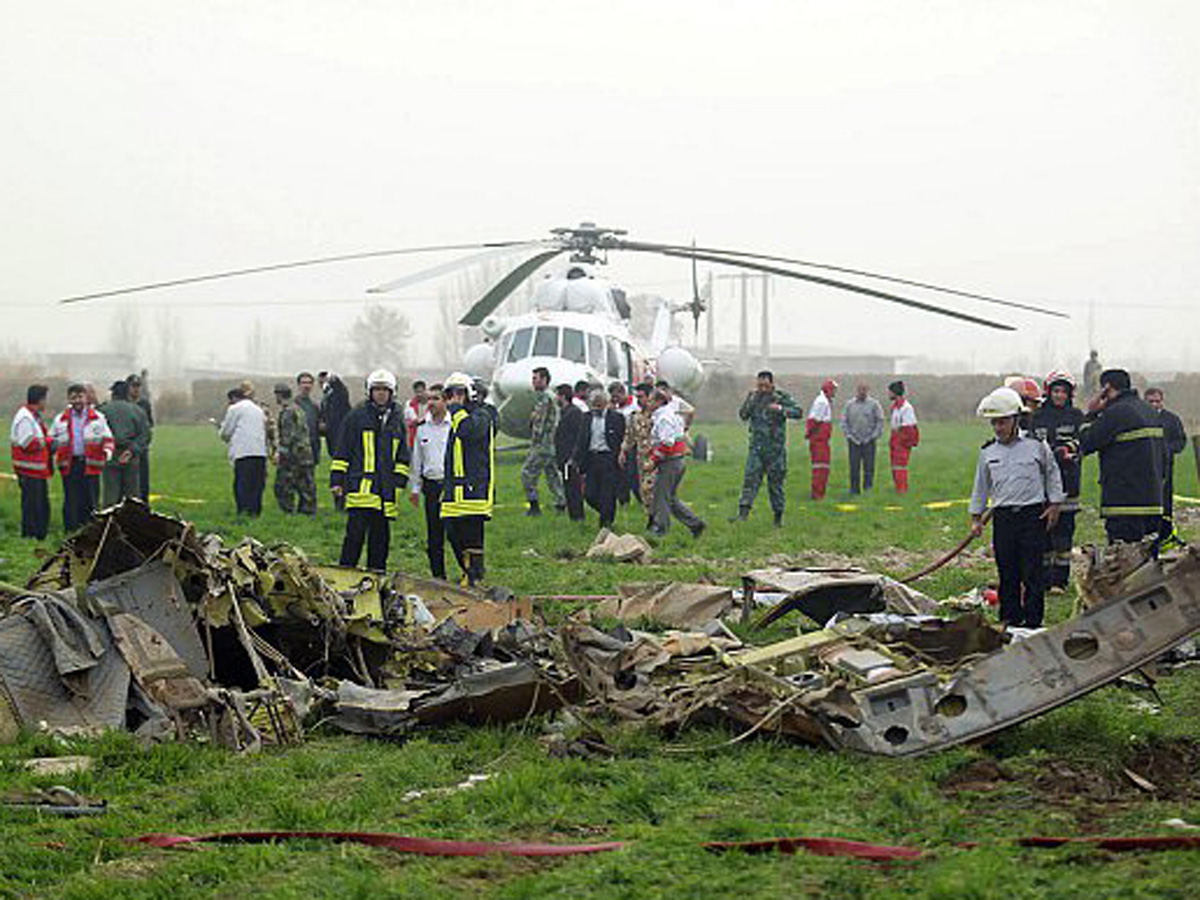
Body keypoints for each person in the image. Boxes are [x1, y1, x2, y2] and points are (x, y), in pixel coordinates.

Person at [969, 387, 1064, 629]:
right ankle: (1010, 620)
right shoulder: (987, 451)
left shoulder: (1036, 446)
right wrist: (976, 518)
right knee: (1007, 572)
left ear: (1015, 420)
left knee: (1033, 573)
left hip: (1032, 517)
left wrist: (1054, 505)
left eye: (1002, 422)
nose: (998, 428)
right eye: (994, 423)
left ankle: (1033, 622)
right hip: (1003, 520)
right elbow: (980, 486)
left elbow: (1052, 474)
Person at [329, 370, 410, 571]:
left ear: (392, 393)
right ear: (369, 392)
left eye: (385, 390)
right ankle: (345, 575)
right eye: (377, 389)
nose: (381, 394)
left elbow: (402, 457)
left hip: (385, 493)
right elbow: (343, 451)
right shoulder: (356, 417)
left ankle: (376, 578)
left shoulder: (397, 420)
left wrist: (398, 485)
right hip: (360, 490)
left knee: (380, 541)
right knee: (354, 538)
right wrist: (337, 480)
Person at [1079, 369, 1165, 548]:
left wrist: (1091, 413)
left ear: (1106, 388)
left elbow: (1086, 441)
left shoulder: (1115, 413)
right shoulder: (1150, 411)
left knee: (1124, 566)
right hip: (1153, 504)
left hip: (1124, 506)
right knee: (1148, 563)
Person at [1031, 371, 1085, 590]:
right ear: (1048, 392)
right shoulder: (1037, 417)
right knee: (1043, 534)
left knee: (1064, 534)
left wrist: (1067, 451)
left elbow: (1083, 442)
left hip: (1068, 483)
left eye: (1064, 391)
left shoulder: (1076, 416)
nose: (1059, 395)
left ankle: (1060, 580)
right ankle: (1043, 579)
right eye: (1056, 391)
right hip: (1041, 485)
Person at [441, 372, 495, 586]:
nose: (455, 397)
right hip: (454, 491)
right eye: (451, 394)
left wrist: (456, 411)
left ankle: (475, 576)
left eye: (460, 392)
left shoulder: (482, 416)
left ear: (469, 394)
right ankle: (467, 573)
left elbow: (468, 431)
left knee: (472, 538)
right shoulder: (455, 418)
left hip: (474, 490)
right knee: (453, 535)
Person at [733, 370, 802, 525]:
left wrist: (781, 410)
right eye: (760, 385)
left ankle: (778, 517)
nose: (762, 388)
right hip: (756, 449)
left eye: (765, 385)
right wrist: (751, 401)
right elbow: (743, 415)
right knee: (750, 481)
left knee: (775, 485)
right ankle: (742, 514)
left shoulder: (781, 397)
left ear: (771, 383)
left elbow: (798, 412)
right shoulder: (753, 397)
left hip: (775, 450)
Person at [49, 383, 114, 531]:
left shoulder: (98, 418)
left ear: (86, 398)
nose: (77, 400)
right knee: (71, 499)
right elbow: (51, 439)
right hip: (70, 464)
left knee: (90, 500)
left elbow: (108, 439)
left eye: (80, 397)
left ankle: (90, 530)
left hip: (91, 464)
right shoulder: (60, 419)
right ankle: (71, 531)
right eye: (73, 397)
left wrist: (107, 453)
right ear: (68, 399)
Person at [646, 388, 705, 538]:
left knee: (661, 497)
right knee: (670, 498)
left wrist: (653, 460)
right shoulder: (671, 414)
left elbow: (667, 443)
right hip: (677, 460)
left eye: (651, 400)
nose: (648, 402)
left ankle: (661, 530)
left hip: (669, 462)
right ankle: (696, 524)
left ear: (659, 402)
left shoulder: (664, 418)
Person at [408, 383, 451, 580]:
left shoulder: (455, 426)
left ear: (446, 401)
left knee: (456, 534)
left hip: (451, 487)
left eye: (436, 399)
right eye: (429, 399)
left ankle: (469, 575)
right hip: (431, 487)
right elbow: (417, 459)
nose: (431, 403)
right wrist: (415, 488)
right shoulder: (422, 429)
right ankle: (438, 577)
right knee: (434, 536)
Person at [575, 388, 626, 528]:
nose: (596, 408)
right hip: (592, 459)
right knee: (589, 494)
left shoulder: (616, 418)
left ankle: (606, 524)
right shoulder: (586, 418)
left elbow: (622, 439)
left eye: (599, 405)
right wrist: (575, 459)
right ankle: (606, 513)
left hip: (608, 459)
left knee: (607, 493)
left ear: (606, 404)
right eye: (594, 405)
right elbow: (581, 440)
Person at [1144, 386, 1188, 549]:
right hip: (1144, 469)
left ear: (1162, 401)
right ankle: (1148, 536)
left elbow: (1181, 441)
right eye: (1151, 402)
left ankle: (1165, 535)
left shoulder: (1172, 419)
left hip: (1166, 468)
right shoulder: (1139, 418)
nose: (1154, 405)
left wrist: (1168, 450)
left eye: (1157, 401)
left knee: (1165, 501)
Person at [98, 380, 150, 507]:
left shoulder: (102, 410)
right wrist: (132, 450)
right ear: (127, 393)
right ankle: (132, 523)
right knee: (132, 495)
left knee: (110, 493)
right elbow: (145, 435)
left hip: (110, 454)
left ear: (113, 393)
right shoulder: (137, 410)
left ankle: (109, 523)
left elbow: (96, 434)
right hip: (130, 454)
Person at [10, 384, 52, 538]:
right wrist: (47, 441)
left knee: (40, 505)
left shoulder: (32, 415)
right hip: (30, 472)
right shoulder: (25, 417)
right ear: (40, 400)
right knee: (32, 506)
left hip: (37, 471)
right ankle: (31, 535)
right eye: (45, 399)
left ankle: (38, 534)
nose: (46, 403)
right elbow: (27, 443)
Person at [520, 366, 564, 516]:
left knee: (527, 473)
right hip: (550, 444)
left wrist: (535, 444)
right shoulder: (549, 396)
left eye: (535, 378)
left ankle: (534, 505)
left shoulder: (545, 398)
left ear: (544, 380)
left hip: (543, 444)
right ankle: (561, 503)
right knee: (552, 474)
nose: (533, 382)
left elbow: (541, 424)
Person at [218, 387, 268, 517]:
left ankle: (243, 511)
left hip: (243, 452)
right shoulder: (258, 410)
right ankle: (255, 511)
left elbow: (226, 432)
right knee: (257, 485)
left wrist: (220, 430)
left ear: (233, 398)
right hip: (260, 452)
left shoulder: (234, 409)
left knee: (242, 484)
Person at [273, 383, 316, 515]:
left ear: (279, 395)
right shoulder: (298, 409)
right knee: (306, 485)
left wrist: (280, 453)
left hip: (293, 455)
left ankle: (287, 511)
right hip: (306, 454)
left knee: (283, 485)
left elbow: (288, 436)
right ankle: (307, 512)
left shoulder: (287, 411)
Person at [621, 382, 658, 525]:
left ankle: (656, 520)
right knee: (642, 490)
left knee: (653, 490)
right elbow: (629, 436)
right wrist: (623, 451)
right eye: (637, 396)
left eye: (641, 396)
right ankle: (651, 517)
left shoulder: (657, 416)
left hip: (656, 458)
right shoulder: (635, 417)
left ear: (649, 397)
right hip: (641, 459)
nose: (638, 400)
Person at [841, 382, 885, 495]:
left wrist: (873, 436)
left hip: (869, 441)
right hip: (853, 441)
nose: (862, 392)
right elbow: (844, 422)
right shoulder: (849, 405)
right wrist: (849, 436)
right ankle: (854, 490)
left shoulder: (874, 404)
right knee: (854, 467)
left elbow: (880, 421)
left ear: (868, 391)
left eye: (864, 390)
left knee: (869, 467)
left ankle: (868, 489)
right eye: (860, 390)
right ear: (857, 390)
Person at [555, 383, 586, 521]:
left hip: (571, 459)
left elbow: (578, 436)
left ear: (563, 396)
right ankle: (573, 515)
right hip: (564, 458)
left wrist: (574, 457)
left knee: (574, 488)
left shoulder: (574, 413)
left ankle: (578, 516)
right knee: (568, 487)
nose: (556, 398)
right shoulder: (565, 412)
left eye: (557, 395)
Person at [805, 379, 838, 500]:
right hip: (819, 440)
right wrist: (810, 434)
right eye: (833, 390)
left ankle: (819, 492)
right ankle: (818, 494)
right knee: (821, 467)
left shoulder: (823, 401)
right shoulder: (822, 402)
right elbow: (815, 421)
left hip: (821, 440)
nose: (834, 393)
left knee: (821, 467)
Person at [609, 381, 640, 505]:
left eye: (617, 396)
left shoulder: (635, 404)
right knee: (620, 474)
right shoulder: (615, 408)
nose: (615, 399)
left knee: (633, 474)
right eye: (613, 397)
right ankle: (623, 500)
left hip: (634, 442)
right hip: (619, 442)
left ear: (623, 393)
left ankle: (641, 498)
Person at [887, 381, 920, 494]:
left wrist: (902, 442)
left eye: (889, 391)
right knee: (895, 467)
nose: (888, 394)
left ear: (894, 392)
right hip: (895, 439)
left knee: (900, 467)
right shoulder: (895, 407)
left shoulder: (906, 408)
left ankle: (902, 490)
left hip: (902, 440)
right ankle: (898, 489)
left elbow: (909, 428)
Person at [126, 373, 154, 502]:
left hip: (141, 448)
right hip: (127, 446)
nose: (136, 389)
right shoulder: (123, 404)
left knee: (143, 479)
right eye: (133, 386)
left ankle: (144, 504)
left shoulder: (144, 404)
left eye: (138, 386)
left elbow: (149, 424)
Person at [295, 372, 322, 465]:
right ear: (298, 385)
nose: (307, 385)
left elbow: (318, 428)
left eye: (309, 383)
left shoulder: (315, 406)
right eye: (304, 382)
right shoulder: (293, 405)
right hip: (297, 450)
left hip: (312, 448)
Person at [404, 380, 427, 449]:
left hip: (428, 438)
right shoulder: (409, 404)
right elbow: (406, 421)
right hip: (414, 439)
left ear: (425, 390)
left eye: (421, 392)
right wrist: (414, 422)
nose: (419, 394)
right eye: (417, 392)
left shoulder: (430, 403)